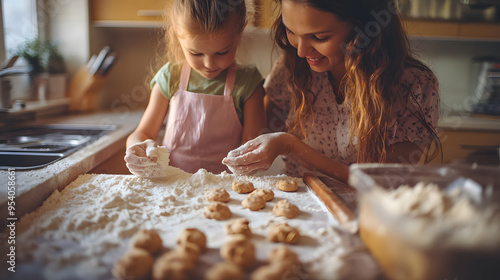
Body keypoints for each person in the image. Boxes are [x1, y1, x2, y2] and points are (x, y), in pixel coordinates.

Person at [223, 0, 441, 183]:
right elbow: (256, 136)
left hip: (370, 219)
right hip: (302, 213)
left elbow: (380, 183)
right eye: (291, 32)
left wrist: (290, 146)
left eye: (319, 38)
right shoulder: (291, 70)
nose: (301, 50)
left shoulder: (414, 86)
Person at [125, 0, 266, 175]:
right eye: (196, 53)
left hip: (228, 188)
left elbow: (252, 147)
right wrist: (138, 148)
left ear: (240, 34)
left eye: (222, 52)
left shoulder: (248, 83)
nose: (209, 63)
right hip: (173, 183)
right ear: (178, 35)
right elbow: (143, 132)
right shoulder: (170, 77)